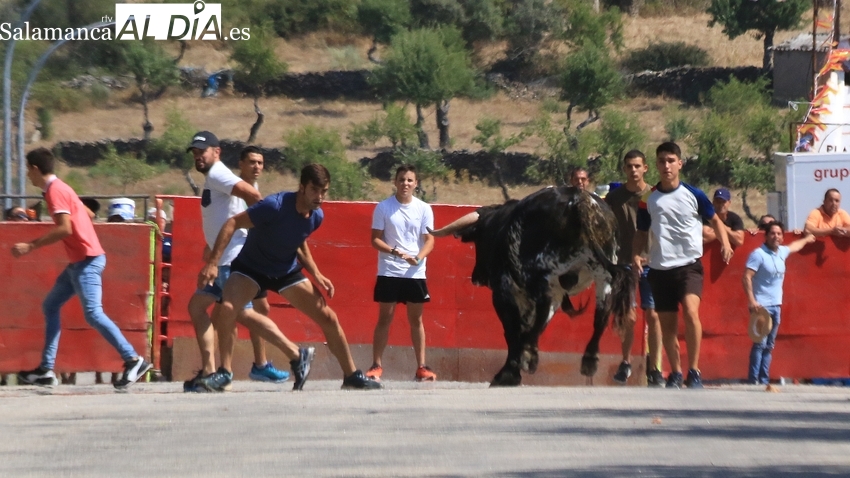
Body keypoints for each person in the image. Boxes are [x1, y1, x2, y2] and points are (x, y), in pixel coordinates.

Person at [197, 164, 382, 391]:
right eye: (315, 190)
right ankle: (224, 374)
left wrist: (316, 273)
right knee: (227, 309)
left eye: (324, 191)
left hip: (284, 271)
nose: (320, 196)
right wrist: (214, 262)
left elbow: (299, 239)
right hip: (251, 268)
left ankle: (351, 375)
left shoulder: (316, 216)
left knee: (328, 317)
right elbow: (232, 223)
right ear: (302, 187)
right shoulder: (274, 206)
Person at [11, 148, 151, 389]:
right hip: (81, 261)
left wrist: (30, 246)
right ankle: (45, 369)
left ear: (35, 169)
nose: (28, 175)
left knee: (93, 313)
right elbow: (87, 212)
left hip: (86, 261)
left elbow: (65, 228)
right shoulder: (61, 188)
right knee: (51, 305)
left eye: (28, 170)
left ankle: (133, 359)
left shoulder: (55, 192)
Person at [185, 137, 293, 392]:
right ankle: (214, 371)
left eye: (203, 151)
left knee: (240, 312)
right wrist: (211, 250)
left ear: (217, 152)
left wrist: (272, 230)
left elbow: (252, 201)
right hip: (222, 260)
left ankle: (293, 354)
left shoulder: (220, 175)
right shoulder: (220, 179)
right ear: (241, 164)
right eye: (195, 152)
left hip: (231, 261)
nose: (198, 156)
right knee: (201, 308)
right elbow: (226, 219)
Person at [633, 142, 733, 389]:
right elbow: (641, 230)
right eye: (661, 161)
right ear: (655, 165)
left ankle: (694, 370)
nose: (666, 166)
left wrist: (725, 243)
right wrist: (636, 253)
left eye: (670, 160)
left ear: (680, 163)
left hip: (688, 265)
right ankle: (676, 372)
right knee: (667, 325)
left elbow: (714, 219)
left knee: (690, 311)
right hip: (659, 269)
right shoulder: (649, 198)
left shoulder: (694, 194)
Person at [366, 165, 436, 382]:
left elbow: (430, 239)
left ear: (416, 184)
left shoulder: (424, 209)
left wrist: (419, 257)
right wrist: (396, 252)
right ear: (395, 182)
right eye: (401, 179)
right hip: (389, 271)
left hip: (415, 273)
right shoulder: (384, 208)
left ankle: (421, 367)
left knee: (416, 320)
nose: (405, 184)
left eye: (409, 180)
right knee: (385, 318)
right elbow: (375, 239)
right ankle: (376, 365)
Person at [605, 150, 663, 387]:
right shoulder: (613, 197)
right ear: (624, 169)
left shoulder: (655, 194)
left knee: (654, 315)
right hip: (624, 262)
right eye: (629, 166)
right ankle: (626, 361)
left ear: (645, 168)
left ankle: (655, 368)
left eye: (637, 166)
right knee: (628, 316)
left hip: (652, 261)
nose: (633, 170)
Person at [742, 221, 815, 384]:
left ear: (782, 237)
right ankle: (753, 380)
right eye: (772, 233)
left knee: (769, 345)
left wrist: (807, 238)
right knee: (760, 344)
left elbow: (795, 246)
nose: (776, 236)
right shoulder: (758, 254)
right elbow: (746, 277)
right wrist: (752, 301)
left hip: (776, 305)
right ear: (766, 236)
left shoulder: (781, 252)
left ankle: (764, 378)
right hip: (761, 306)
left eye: (779, 234)